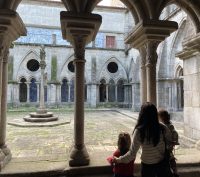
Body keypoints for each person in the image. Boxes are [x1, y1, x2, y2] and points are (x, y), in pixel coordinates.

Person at [113, 102, 172, 177]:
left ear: (142, 115)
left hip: (148, 167)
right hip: (162, 165)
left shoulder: (139, 131)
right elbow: (170, 142)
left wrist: (118, 160)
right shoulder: (163, 128)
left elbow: (132, 154)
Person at [158, 109, 179, 177]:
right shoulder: (170, 125)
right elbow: (175, 134)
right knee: (171, 159)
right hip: (168, 147)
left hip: (165, 148)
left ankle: (171, 172)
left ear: (161, 118)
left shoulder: (164, 126)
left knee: (167, 160)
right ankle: (175, 172)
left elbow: (175, 134)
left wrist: (173, 141)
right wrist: (174, 141)